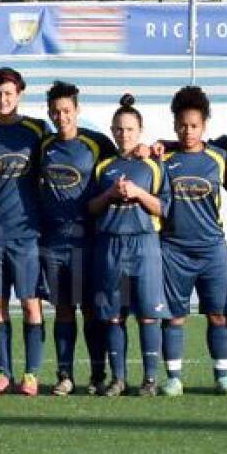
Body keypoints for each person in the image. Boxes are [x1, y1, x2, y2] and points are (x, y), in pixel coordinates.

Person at [88, 94, 171, 397]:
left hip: (144, 245)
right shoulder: (103, 167)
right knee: (113, 315)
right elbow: (91, 208)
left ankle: (150, 379)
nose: (124, 135)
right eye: (119, 129)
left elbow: (164, 208)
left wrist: (137, 193)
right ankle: (118, 379)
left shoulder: (153, 166)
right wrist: (110, 194)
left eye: (130, 130)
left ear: (140, 130)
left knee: (149, 314)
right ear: (112, 130)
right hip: (110, 246)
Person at [37, 81, 116, 396]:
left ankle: (98, 375)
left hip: (88, 241)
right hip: (54, 242)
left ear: (77, 110)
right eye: (55, 111)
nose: (61, 117)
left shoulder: (97, 144)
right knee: (63, 310)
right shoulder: (44, 146)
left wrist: (146, 149)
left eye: (66, 110)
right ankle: (65, 376)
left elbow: (123, 161)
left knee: (92, 309)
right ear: (49, 113)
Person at [0, 67, 50, 396]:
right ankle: (4, 373)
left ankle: (31, 374)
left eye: (8, 93)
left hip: (27, 231)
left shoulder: (37, 130)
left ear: (19, 94)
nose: (2, 99)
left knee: (31, 304)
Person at [158, 86, 227, 396]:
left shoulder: (219, 158)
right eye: (182, 125)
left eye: (194, 125)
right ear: (174, 124)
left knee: (218, 315)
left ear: (204, 126)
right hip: (174, 250)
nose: (188, 131)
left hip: (213, 249)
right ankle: (174, 377)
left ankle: (223, 376)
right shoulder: (164, 158)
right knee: (175, 316)